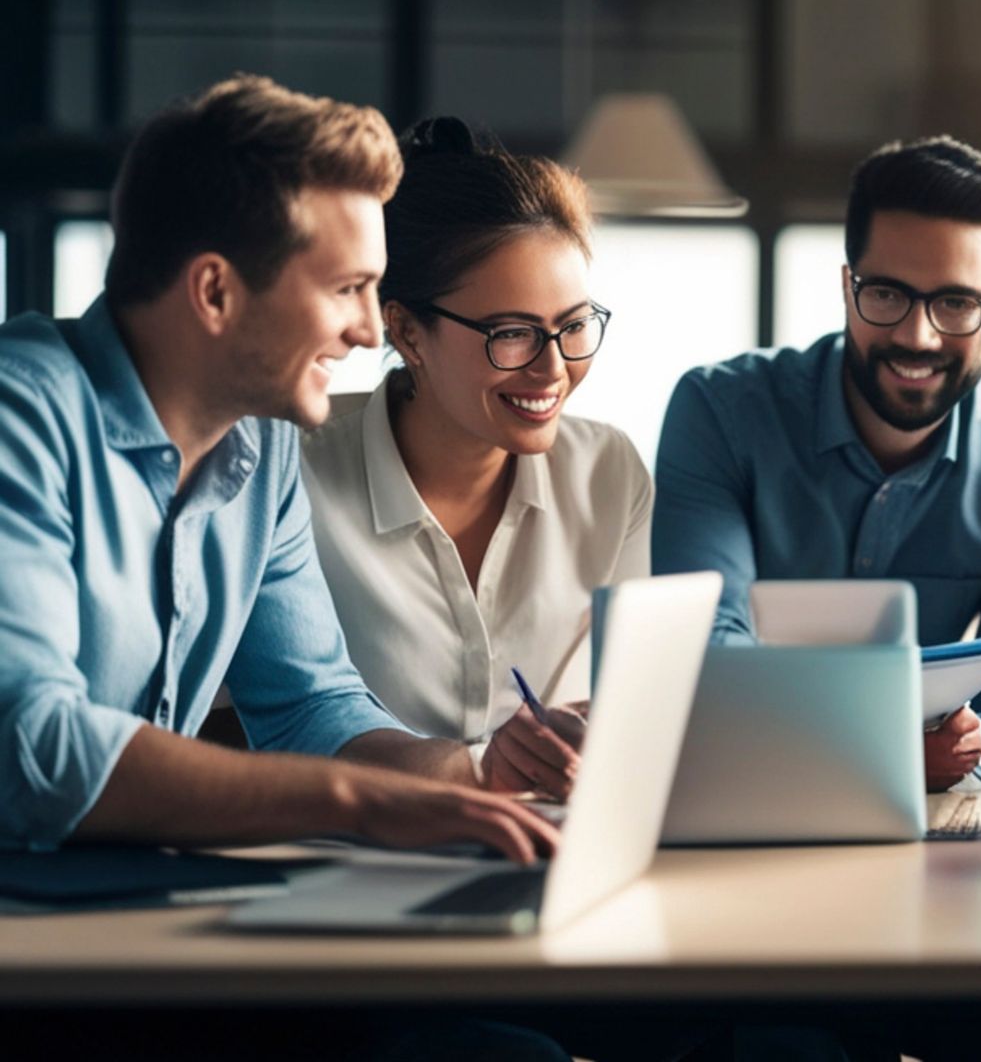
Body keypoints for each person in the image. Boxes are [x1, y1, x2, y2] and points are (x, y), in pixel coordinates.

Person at [0, 74, 566, 1061]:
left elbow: (314, 711)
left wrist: (472, 786)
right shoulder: (24, 415)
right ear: (216, 290)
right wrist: (357, 802)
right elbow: (36, 746)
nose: (366, 329)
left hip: (130, 932)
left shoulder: (257, 457)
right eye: (347, 289)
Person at [652, 134, 981, 792]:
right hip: (745, 786)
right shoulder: (718, 413)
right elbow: (709, 651)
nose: (918, 336)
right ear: (847, 286)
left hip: (929, 812)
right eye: (887, 294)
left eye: (957, 303)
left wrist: (974, 744)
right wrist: (881, 745)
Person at [302, 116, 650, 800]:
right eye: (512, 333)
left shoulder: (608, 472)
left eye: (575, 326)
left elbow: (636, 697)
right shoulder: (294, 476)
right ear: (405, 330)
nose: (554, 368)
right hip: (348, 855)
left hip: (550, 849)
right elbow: (252, 725)